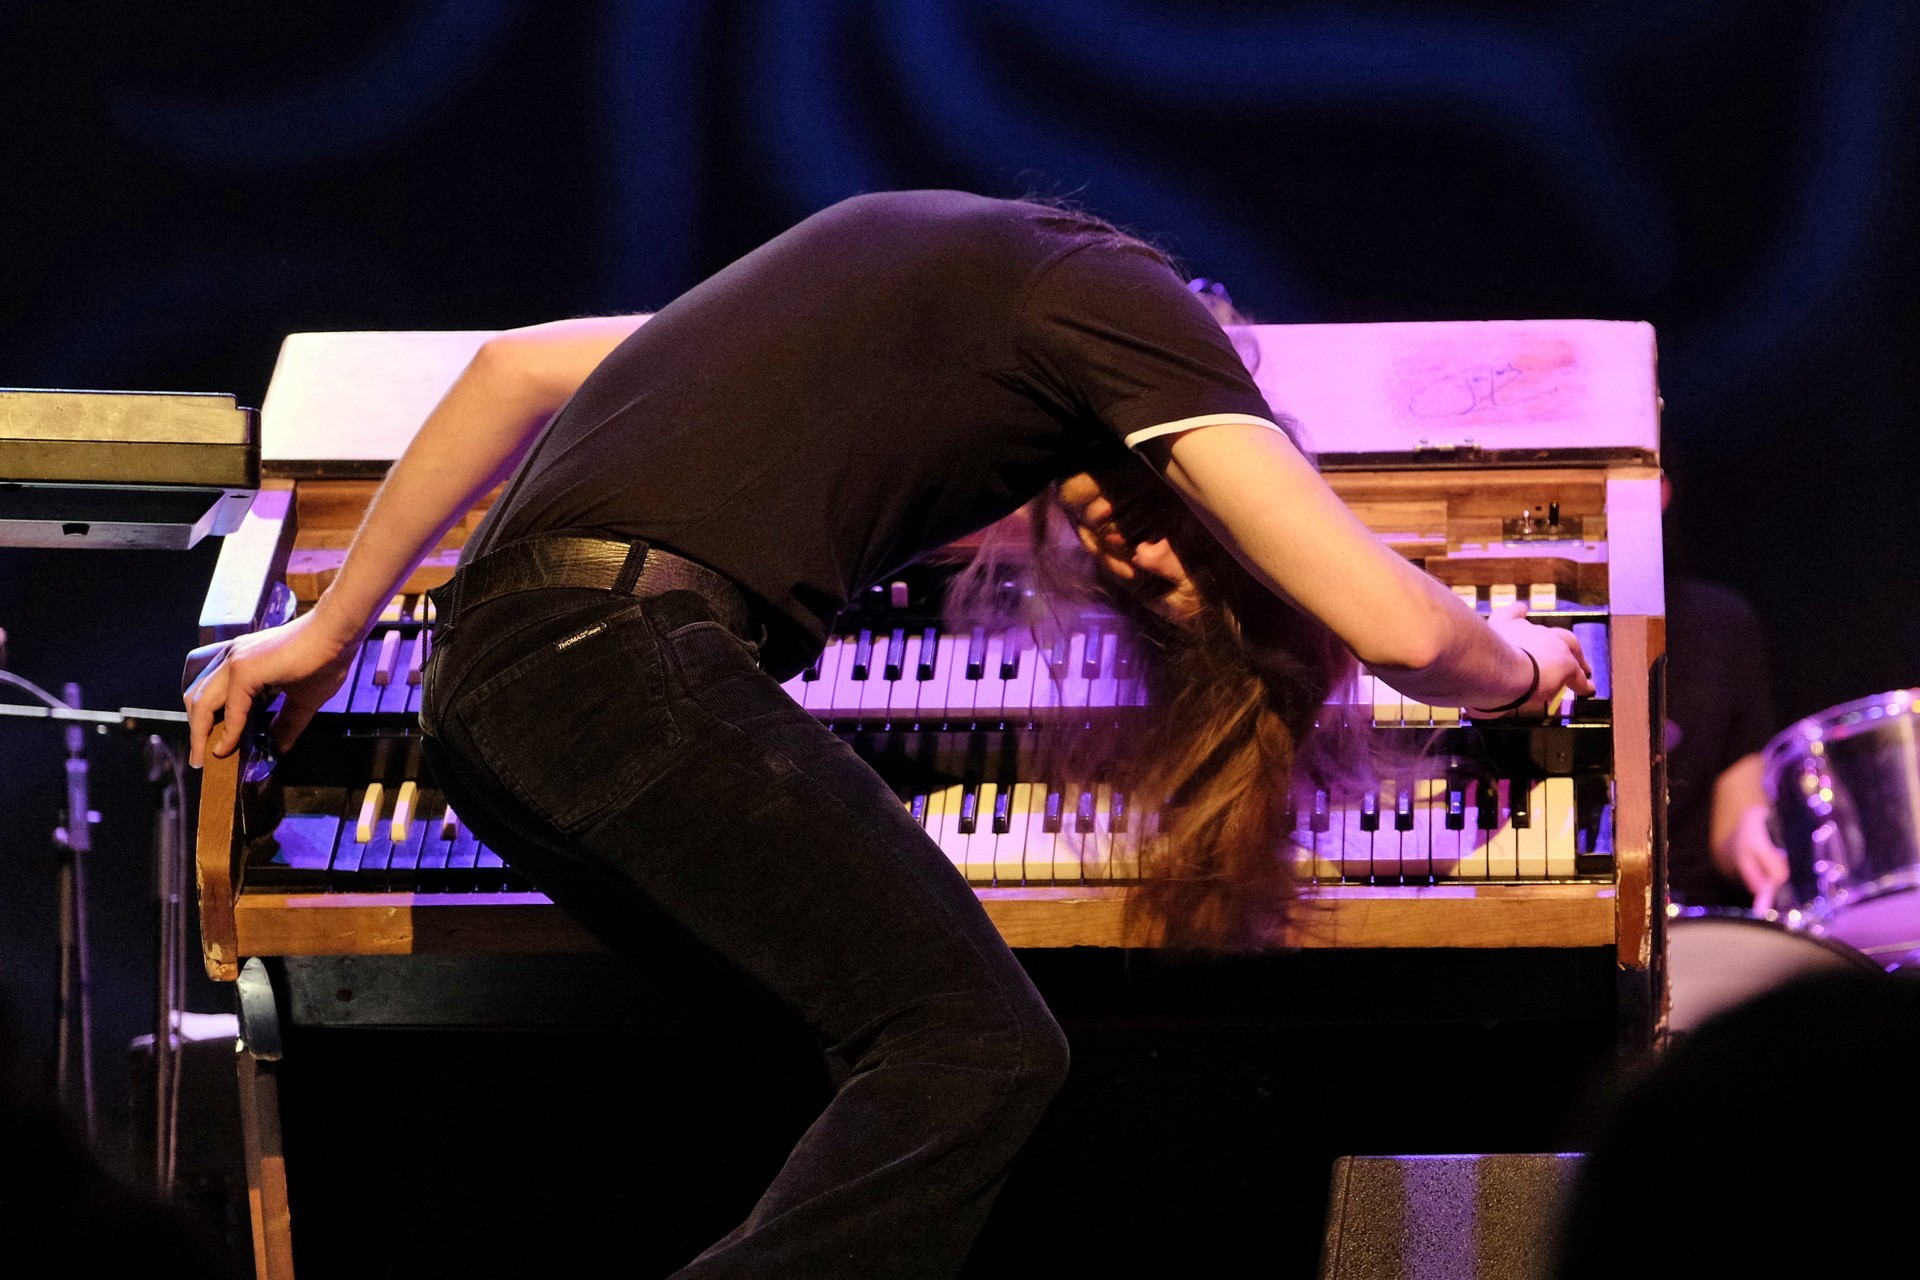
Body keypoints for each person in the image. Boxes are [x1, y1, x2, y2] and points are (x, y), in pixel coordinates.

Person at [183, 189, 1592, 1279]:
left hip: (502, 690)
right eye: (1193, 518)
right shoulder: (1125, 306)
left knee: (865, 1074)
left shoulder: (920, 329)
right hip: (613, 659)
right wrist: (1527, 666)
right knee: (977, 1049)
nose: (1146, 551)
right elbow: (1403, 632)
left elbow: (515, 369)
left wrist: (334, 629)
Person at [1660, 466, 1790, 910]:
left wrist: (1752, 834)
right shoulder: (1513, 624)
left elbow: (1732, 821)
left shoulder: (1721, 623)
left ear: (1660, 490)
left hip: (1689, 920)